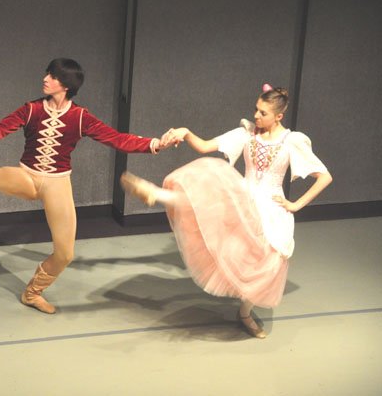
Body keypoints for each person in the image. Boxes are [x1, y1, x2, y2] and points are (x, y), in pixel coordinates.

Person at [0, 58, 166, 314]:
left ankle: (32, 293)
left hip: (58, 184)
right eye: (47, 74)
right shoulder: (31, 109)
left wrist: (155, 144)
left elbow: (117, 139)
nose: (45, 79)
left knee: (65, 253)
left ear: (66, 85)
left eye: (52, 76)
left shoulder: (80, 117)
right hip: (27, 176)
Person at [121, 83, 332, 338]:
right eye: (256, 109)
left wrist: (296, 204)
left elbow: (324, 177)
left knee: (269, 262)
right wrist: (186, 133)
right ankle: (158, 194)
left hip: (271, 206)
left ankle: (244, 312)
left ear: (279, 116)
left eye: (263, 113)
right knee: (209, 193)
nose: (256, 116)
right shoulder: (246, 134)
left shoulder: (292, 141)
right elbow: (205, 146)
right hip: (244, 195)